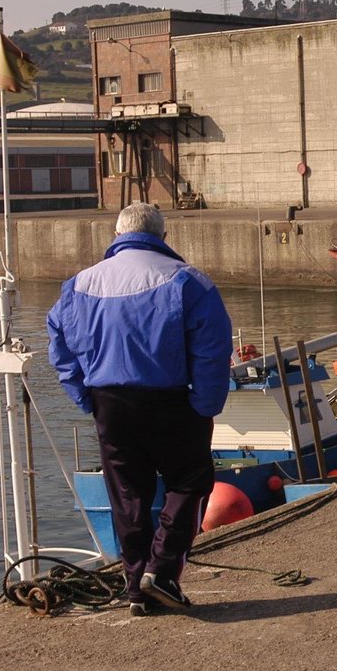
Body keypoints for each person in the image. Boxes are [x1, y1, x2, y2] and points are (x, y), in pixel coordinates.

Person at [47, 203, 232, 616]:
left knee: (128, 497)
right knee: (191, 481)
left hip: (109, 402)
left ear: (116, 236)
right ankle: (161, 572)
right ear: (162, 237)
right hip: (172, 400)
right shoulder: (189, 282)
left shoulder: (78, 285)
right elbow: (213, 350)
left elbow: (59, 345)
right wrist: (205, 406)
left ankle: (136, 590)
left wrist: (84, 396)